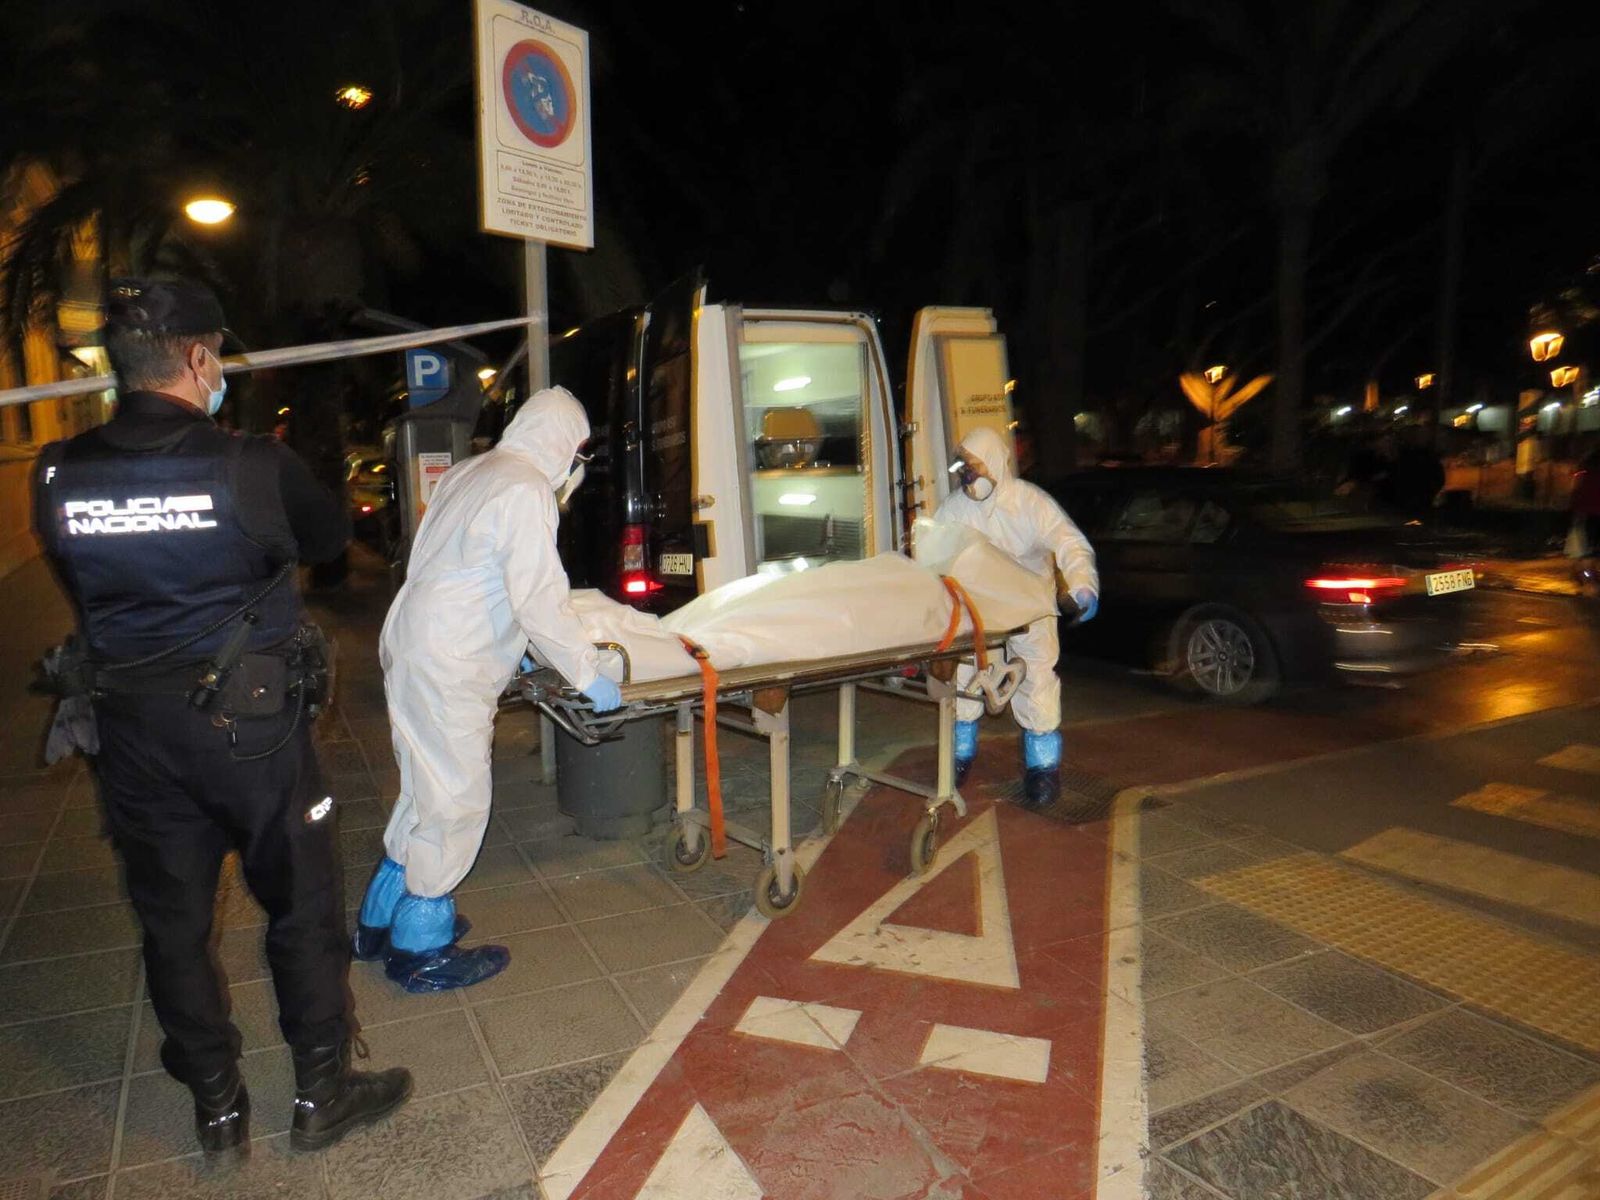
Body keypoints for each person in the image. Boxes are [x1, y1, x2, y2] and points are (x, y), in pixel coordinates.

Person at [33, 278, 411, 1159]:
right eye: (218, 358)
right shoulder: (252, 465)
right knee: (302, 908)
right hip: (256, 735)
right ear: (199, 358)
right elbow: (323, 543)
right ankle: (321, 1093)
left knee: (172, 925)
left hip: (132, 738)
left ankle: (216, 1105)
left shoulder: (56, 473)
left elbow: (78, 573)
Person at [355, 386, 622, 992]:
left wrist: (522, 648)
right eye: (578, 454)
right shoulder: (526, 489)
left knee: (424, 784)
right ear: (562, 444)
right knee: (456, 798)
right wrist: (585, 671)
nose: (575, 469)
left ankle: (378, 922)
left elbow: (466, 568)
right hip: (452, 657)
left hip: (412, 642)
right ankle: (421, 946)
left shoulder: (471, 472)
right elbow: (539, 595)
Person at [935, 426, 1099, 808]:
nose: (967, 476)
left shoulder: (1029, 503)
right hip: (981, 610)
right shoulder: (955, 507)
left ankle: (1043, 770)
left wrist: (1081, 585)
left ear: (993, 463)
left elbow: (1068, 542)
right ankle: (958, 758)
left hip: (1029, 603)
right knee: (965, 678)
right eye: (963, 468)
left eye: (973, 467)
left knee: (1037, 678)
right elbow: (934, 551)